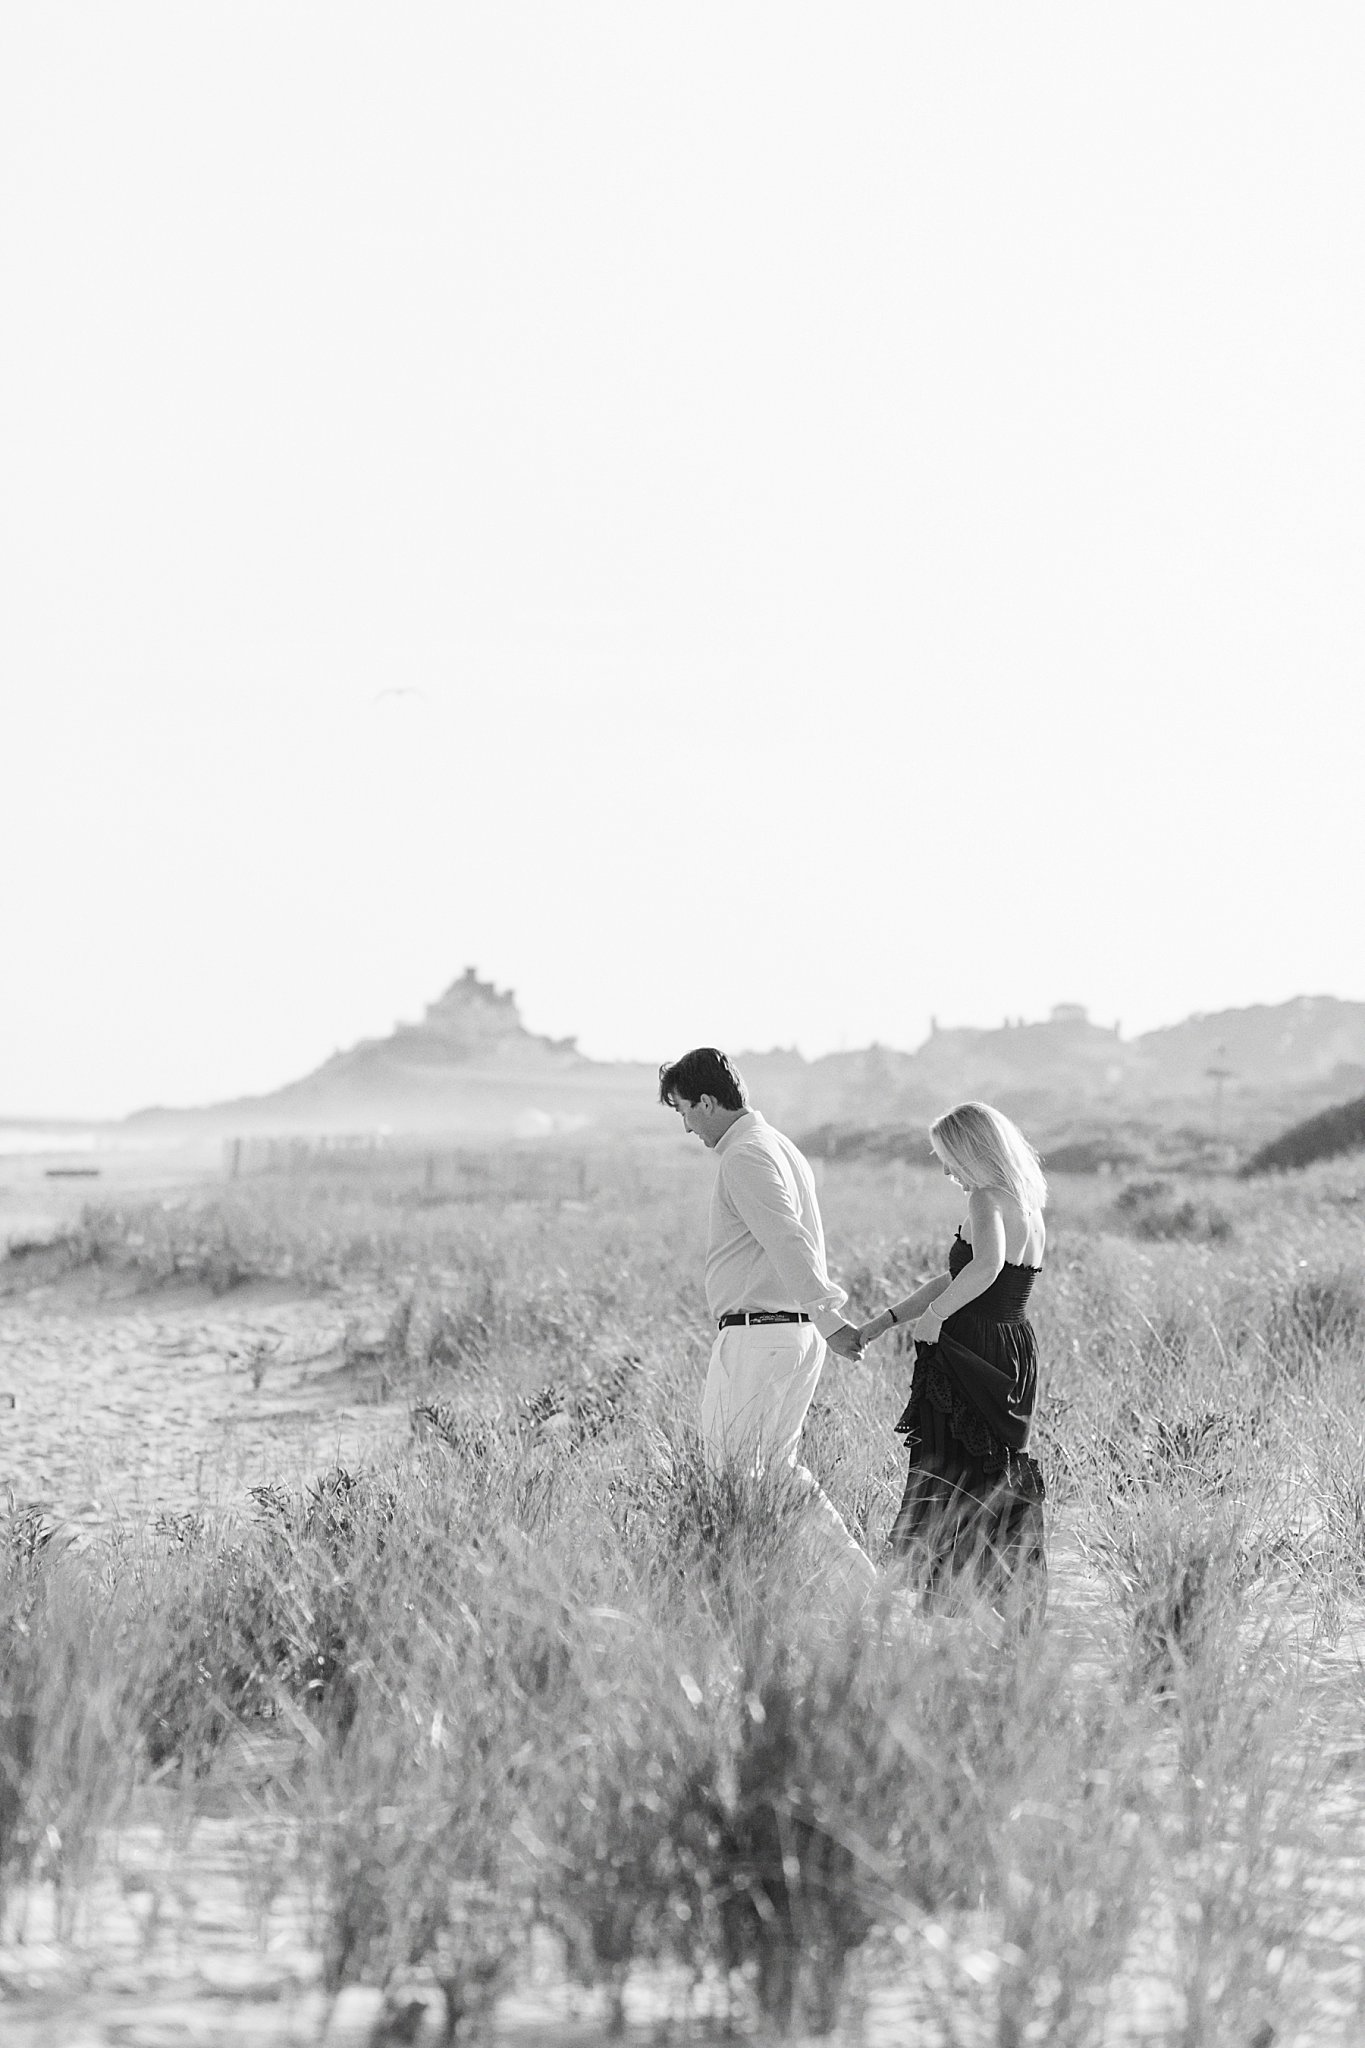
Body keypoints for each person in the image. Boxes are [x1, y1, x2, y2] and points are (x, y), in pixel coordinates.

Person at [659, 1048, 877, 1604]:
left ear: (708, 1101)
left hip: (763, 1333)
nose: (685, 1124)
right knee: (779, 1473)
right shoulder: (777, 1146)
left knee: (727, 1472)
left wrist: (829, 1317)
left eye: (684, 1109)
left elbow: (786, 1238)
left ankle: (742, 1592)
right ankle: (864, 1594)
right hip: (788, 1331)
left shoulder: (746, 1155)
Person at [859, 1101, 1048, 1621]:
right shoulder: (1027, 1206)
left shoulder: (986, 1198)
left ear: (972, 1150)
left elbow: (982, 1268)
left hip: (971, 1346)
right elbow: (957, 1277)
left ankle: (947, 1601)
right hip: (1013, 1348)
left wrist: (936, 1318)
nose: (945, 1171)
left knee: (951, 1471)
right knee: (991, 1473)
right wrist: (884, 1321)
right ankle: (1009, 1600)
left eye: (948, 1158)